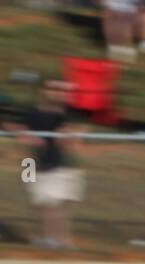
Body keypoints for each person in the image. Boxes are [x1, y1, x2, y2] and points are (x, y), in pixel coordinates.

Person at [19, 79, 84, 250]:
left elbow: (77, 137)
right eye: (52, 89)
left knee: (62, 204)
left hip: (64, 165)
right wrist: (27, 171)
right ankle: (44, 237)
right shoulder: (32, 112)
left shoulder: (68, 113)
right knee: (40, 202)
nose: (57, 93)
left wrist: (73, 135)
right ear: (43, 91)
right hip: (34, 163)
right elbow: (20, 135)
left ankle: (62, 238)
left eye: (61, 89)